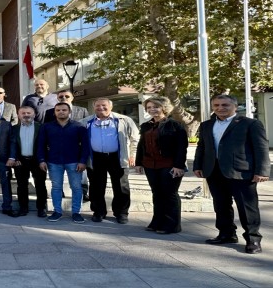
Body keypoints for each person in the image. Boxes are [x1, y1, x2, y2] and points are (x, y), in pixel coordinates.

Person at [194, 94, 270, 254]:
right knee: (221, 205)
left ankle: (253, 239)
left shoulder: (250, 124)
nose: (220, 108)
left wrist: (262, 171)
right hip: (213, 171)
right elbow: (202, 146)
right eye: (216, 105)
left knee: (247, 207)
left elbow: (261, 148)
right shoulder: (207, 125)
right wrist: (198, 165)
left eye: (225, 105)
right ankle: (226, 234)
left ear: (235, 106)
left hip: (241, 172)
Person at [134, 96, 188, 234]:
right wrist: (138, 163)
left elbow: (182, 147)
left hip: (169, 165)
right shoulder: (146, 125)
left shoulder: (175, 125)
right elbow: (141, 146)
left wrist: (179, 166)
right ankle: (157, 221)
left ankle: (172, 225)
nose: (152, 110)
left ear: (164, 108)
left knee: (169, 194)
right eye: (149, 107)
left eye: (155, 107)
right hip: (150, 165)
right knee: (157, 194)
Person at [80, 98, 139, 224]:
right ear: (93, 107)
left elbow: (135, 139)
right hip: (95, 157)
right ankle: (98, 211)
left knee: (121, 186)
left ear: (111, 107)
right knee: (96, 186)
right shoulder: (85, 122)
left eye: (104, 105)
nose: (101, 108)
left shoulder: (124, 120)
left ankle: (121, 213)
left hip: (117, 157)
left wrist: (133, 155)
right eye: (97, 106)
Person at [38, 103, 90, 224]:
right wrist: (41, 160)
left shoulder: (79, 126)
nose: (61, 112)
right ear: (54, 112)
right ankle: (57, 211)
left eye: (64, 110)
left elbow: (85, 146)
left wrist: (83, 161)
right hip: (53, 161)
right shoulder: (46, 127)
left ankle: (76, 212)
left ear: (69, 111)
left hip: (74, 162)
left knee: (76, 187)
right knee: (56, 187)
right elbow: (40, 145)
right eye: (58, 110)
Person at [45, 89, 92, 201]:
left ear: (72, 98)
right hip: (57, 150)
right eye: (61, 96)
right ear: (57, 98)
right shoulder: (50, 112)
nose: (64, 98)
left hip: (77, 149)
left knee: (81, 175)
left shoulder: (82, 110)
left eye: (67, 96)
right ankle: (59, 192)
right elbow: (46, 130)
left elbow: (86, 129)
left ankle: (84, 191)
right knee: (56, 177)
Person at [13, 106, 48, 217]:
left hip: (37, 161)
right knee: (21, 186)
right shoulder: (14, 129)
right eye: (23, 113)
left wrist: (43, 160)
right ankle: (23, 208)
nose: (26, 115)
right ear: (19, 115)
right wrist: (15, 158)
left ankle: (41, 208)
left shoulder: (41, 127)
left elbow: (46, 145)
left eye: (29, 113)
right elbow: (11, 145)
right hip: (20, 161)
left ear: (34, 115)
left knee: (40, 185)